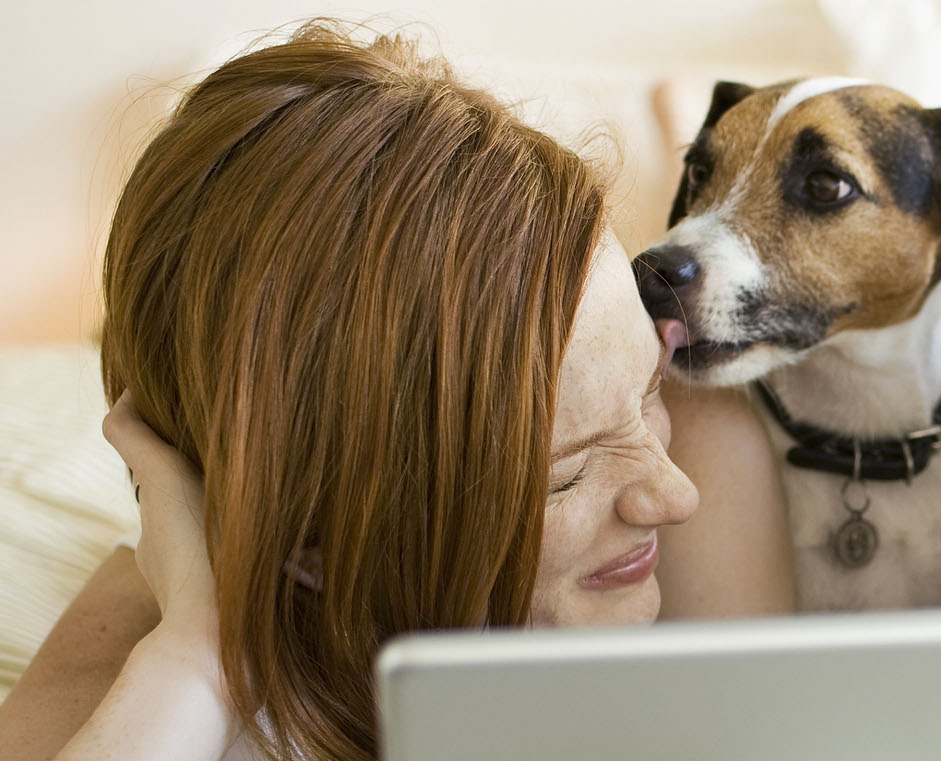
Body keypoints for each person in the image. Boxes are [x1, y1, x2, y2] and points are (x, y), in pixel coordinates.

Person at [0, 23, 789, 761]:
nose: (672, 495)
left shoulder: (709, 447)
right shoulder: (137, 666)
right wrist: (201, 655)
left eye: (650, 387)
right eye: (566, 474)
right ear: (309, 541)